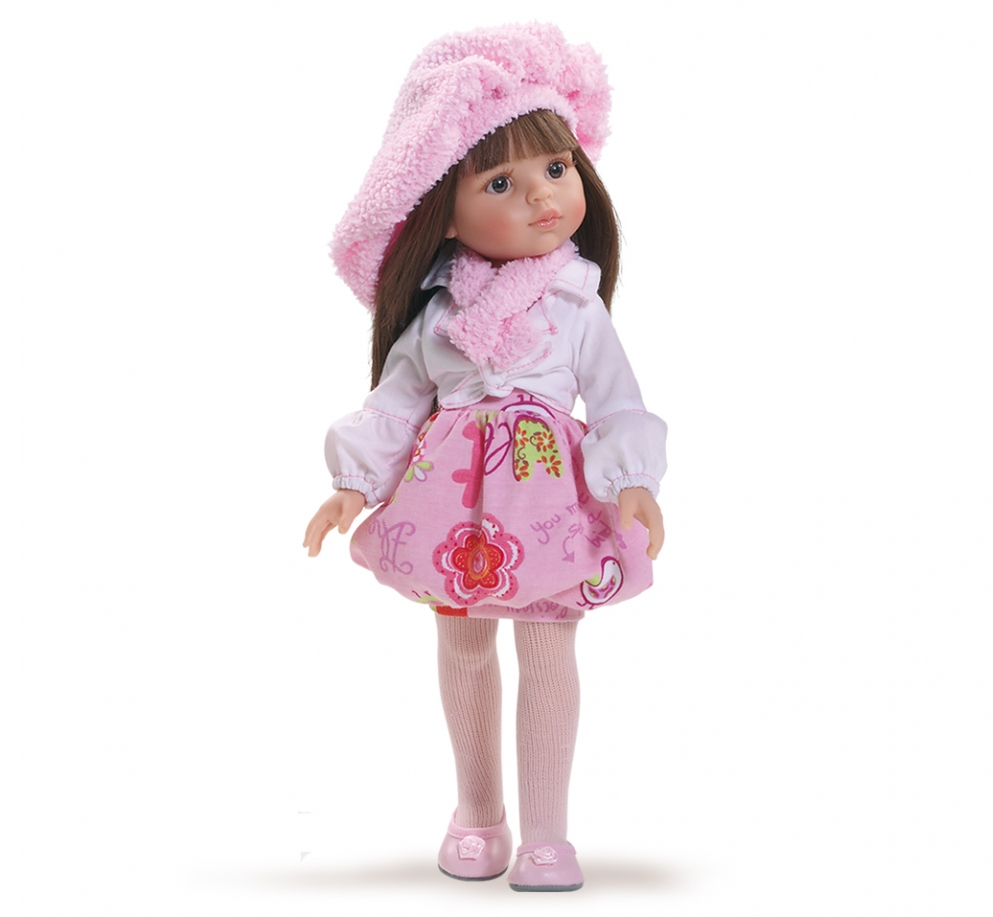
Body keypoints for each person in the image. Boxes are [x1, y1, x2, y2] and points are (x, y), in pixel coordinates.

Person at [303, 23, 667, 892]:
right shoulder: (437, 315)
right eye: (500, 182)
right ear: (441, 207)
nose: (543, 196)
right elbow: (394, 404)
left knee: (547, 653)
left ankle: (546, 833)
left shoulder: (576, 306)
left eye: (557, 167)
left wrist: (632, 481)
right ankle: (477, 814)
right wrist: (352, 483)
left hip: (547, 511)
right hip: (448, 511)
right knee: (463, 648)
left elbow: (617, 400)